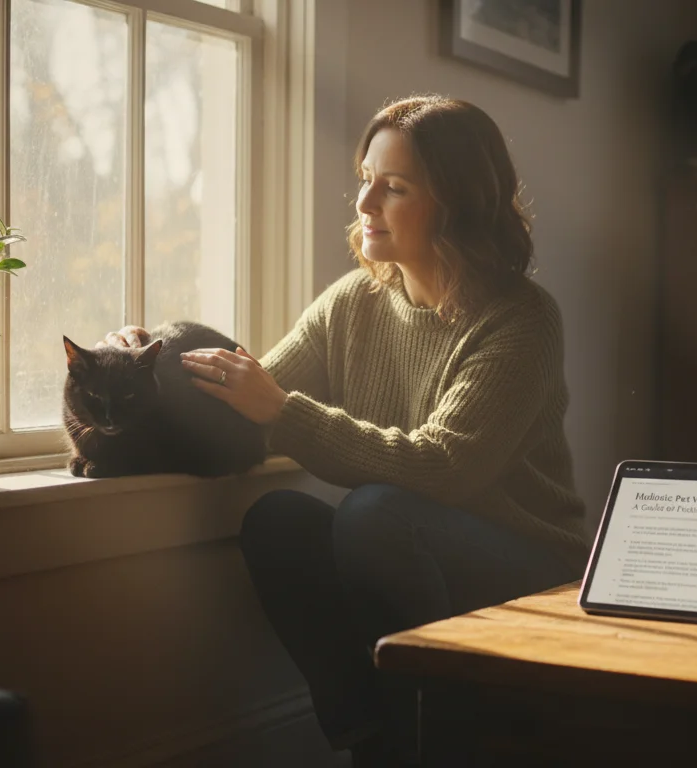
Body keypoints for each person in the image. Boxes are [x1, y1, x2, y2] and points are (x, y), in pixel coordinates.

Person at [104, 94, 587, 766]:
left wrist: (284, 410)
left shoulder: (522, 320)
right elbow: (249, 399)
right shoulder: (353, 303)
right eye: (366, 180)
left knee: (375, 513)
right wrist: (142, 359)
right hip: (417, 548)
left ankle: (426, 734)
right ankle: (377, 735)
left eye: (393, 188)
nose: (364, 204)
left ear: (457, 202)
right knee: (277, 519)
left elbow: (445, 468)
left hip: (531, 567)